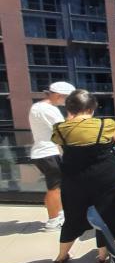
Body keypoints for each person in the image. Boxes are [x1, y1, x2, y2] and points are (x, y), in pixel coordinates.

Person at [51, 90, 115, 263]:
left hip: (75, 179)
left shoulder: (60, 129)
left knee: (73, 216)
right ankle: (102, 257)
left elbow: (63, 153)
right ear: (91, 107)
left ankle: (61, 258)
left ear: (70, 108)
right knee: (107, 215)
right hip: (106, 176)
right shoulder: (106, 124)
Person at [28, 81, 74, 230]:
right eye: (66, 98)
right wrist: (72, 116)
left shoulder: (36, 107)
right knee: (55, 188)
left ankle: (57, 214)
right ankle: (54, 221)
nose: (67, 102)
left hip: (41, 152)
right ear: (59, 95)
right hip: (49, 152)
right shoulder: (49, 109)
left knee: (53, 187)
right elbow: (64, 130)